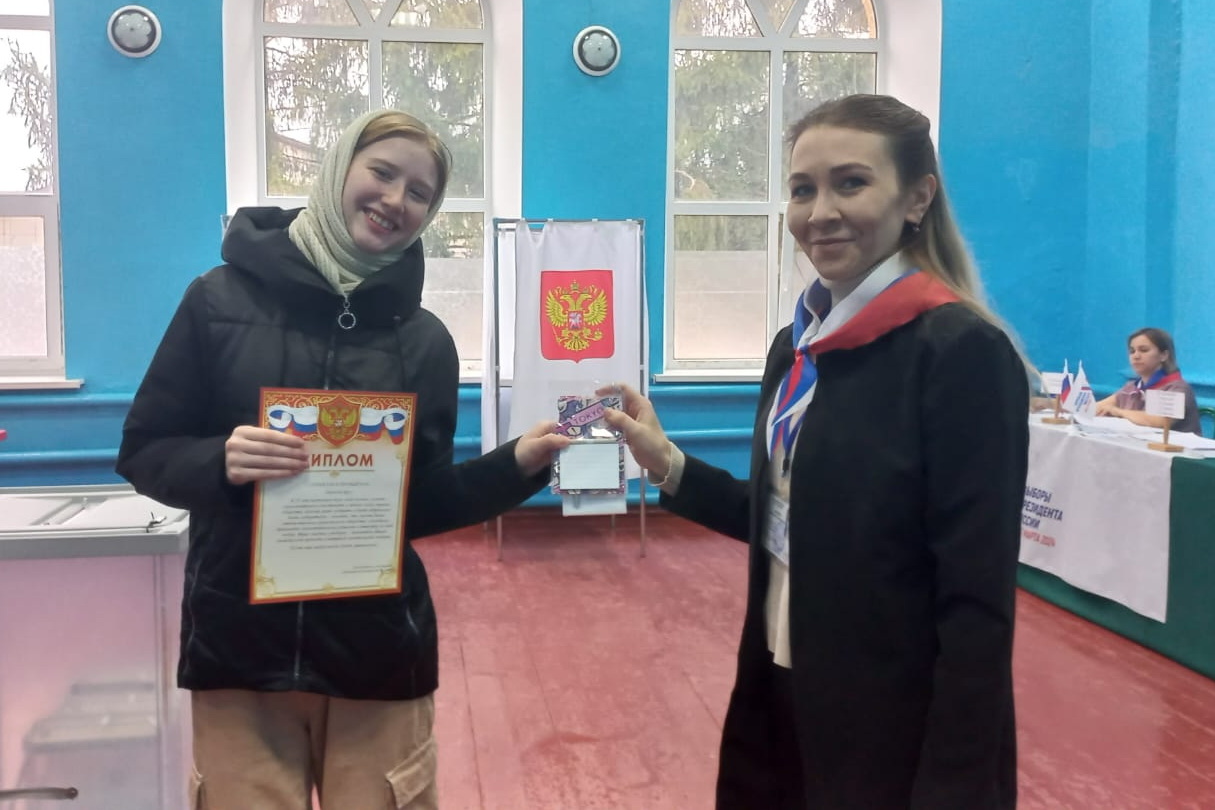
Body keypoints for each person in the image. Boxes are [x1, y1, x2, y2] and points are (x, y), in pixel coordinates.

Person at [116, 110, 567, 809]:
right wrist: (221, 460)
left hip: (376, 654)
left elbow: (420, 503)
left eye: (419, 193)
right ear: (338, 169)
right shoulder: (216, 301)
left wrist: (516, 466)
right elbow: (145, 450)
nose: (395, 200)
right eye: (382, 173)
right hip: (240, 652)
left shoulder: (425, 343)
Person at [604, 94, 1028, 809]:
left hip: (894, 721)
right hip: (781, 688)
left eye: (850, 183)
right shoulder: (797, 345)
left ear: (917, 198)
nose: (819, 212)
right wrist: (665, 462)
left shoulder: (959, 353)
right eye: (802, 190)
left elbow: (976, 600)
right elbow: (790, 520)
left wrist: (953, 783)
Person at [1095, 327, 1201, 435]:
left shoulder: (1177, 388)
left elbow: (1159, 421)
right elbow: (1099, 407)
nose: (1136, 356)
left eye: (1144, 350)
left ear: (1164, 355)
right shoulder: (1131, 387)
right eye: (1132, 351)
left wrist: (1118, 412)